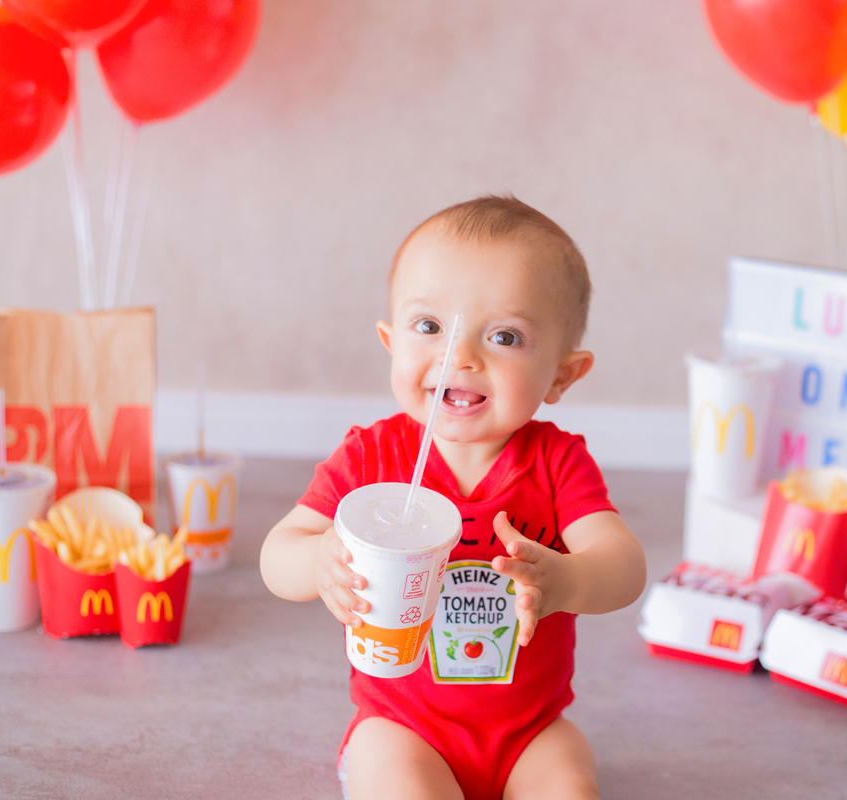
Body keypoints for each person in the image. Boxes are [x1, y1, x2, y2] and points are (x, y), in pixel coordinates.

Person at [260, 195, 647, 800]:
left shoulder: (557, 462)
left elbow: (624, 565)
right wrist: (317, 561)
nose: (458, 357)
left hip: (529, 731)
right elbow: (277, 552)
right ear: (391, 340)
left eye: (504, 336)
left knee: (570, 784)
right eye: (429, 327)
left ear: (563, 375)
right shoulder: (371, 458)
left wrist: (569, 580)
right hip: (402, 727)